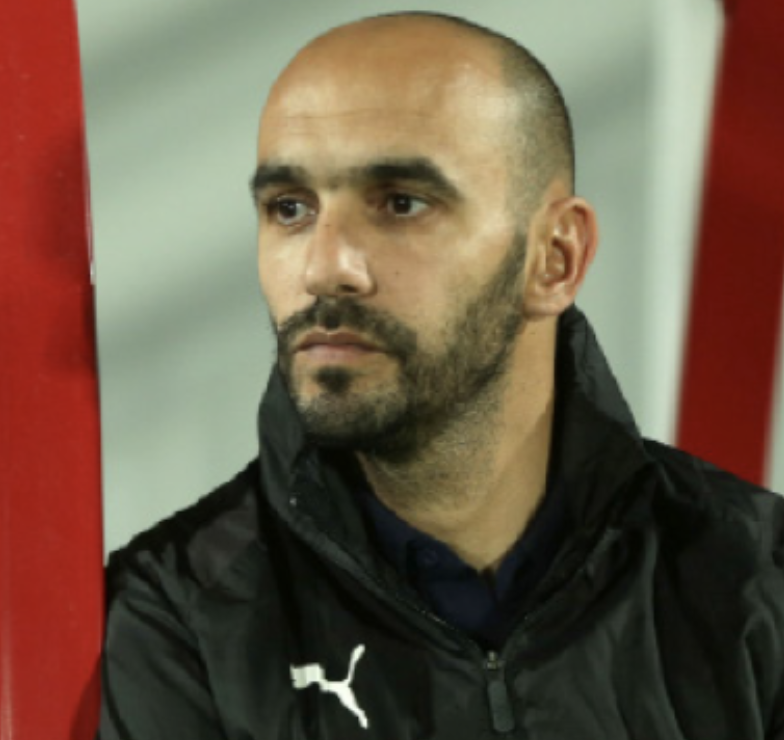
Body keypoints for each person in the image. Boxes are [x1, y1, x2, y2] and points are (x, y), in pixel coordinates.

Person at [98, 12, 784, 740]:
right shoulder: (175, 616)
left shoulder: (759, 580)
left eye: (402, 204)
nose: (325, 267)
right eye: (290, 209)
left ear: (555, 258)